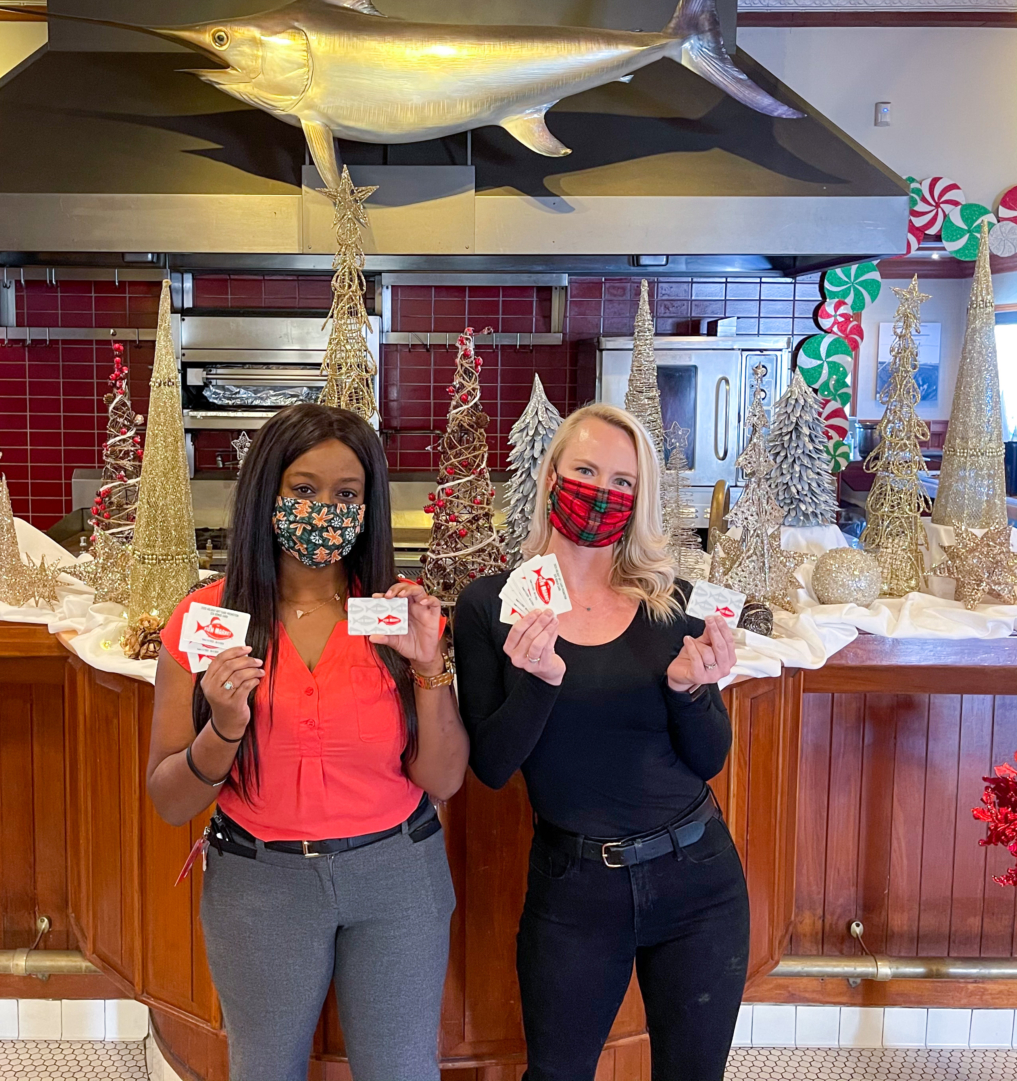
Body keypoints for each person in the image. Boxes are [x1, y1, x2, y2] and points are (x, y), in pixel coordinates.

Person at [146, 403, 468, 1081]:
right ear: (268, 493)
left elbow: (442, 780)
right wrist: (225, 728)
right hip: (259, 886)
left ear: (368, 506)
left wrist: (429, 667)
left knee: (404, 1070)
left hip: (398, 877)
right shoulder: (204, 619)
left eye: (346, 494)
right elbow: (171, 801)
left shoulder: (392, 616)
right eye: (304, 489)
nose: (326, 508)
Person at [454, 403, 747, 1081]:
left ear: (639, 500)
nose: (602, 492)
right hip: (575, 889)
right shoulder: (491, 605)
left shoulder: (671, 603)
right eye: (586, 470)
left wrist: (691, 690)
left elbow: (710, 759)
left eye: (622, 482)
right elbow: (494, 767)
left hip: (699, 879)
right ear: (552, 476)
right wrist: (541, 680)